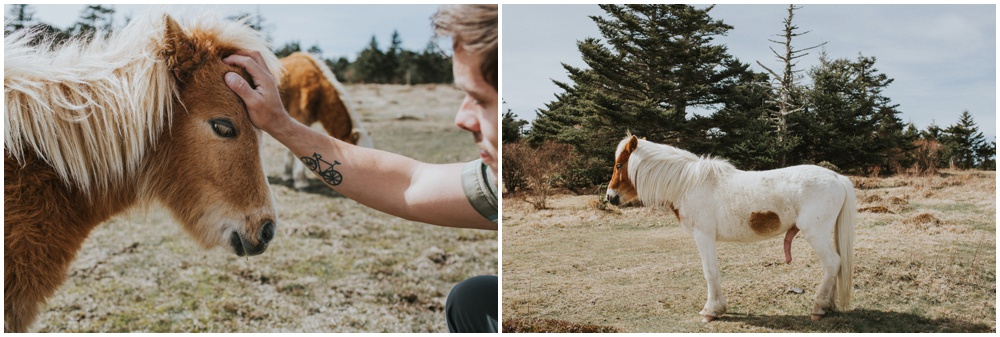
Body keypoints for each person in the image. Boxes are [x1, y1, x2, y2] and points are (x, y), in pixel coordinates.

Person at [221, 4, 498, 333]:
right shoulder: (497, 184)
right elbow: (410, 184)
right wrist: (280, 124)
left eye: (480, 100)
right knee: (470, 299)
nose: (461, 119)